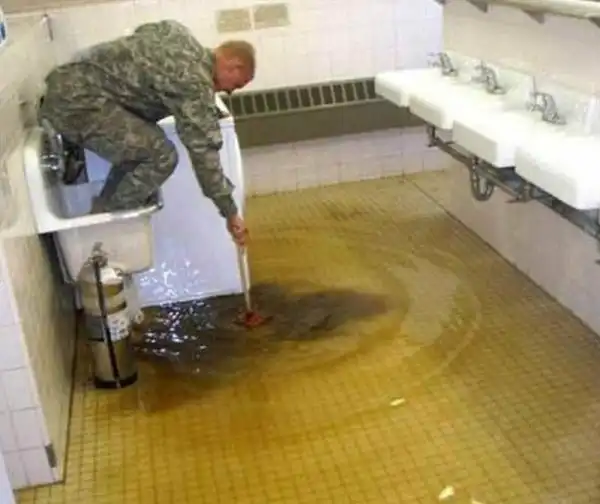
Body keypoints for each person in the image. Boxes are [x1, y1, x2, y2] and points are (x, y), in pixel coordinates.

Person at [39, 20, 255, 246]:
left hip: (66, 83)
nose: (229, 92)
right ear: (234, 66)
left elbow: (143, 42)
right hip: (76, 105)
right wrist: (230, 212)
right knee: (160, 156)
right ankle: (107, 230)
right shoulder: (194, 84)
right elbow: (205, 156)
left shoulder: (177, 32)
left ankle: (106, 210)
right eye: (236, 85)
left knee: (144, 145)